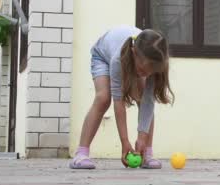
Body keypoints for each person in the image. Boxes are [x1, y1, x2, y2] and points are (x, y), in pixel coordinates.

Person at [69, 25, 174, 169]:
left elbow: (148, 103)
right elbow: (118, 102)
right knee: (103, 98)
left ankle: (147, 153)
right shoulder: (118, 59)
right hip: (102, 56)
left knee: (143, 99)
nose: (146, 75)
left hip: (132, 58)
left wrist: (142, 137)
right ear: (134, 53)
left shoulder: (155, 60)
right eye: (143, 70)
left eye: (150, 72)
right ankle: (81, 154)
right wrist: (125, 142)